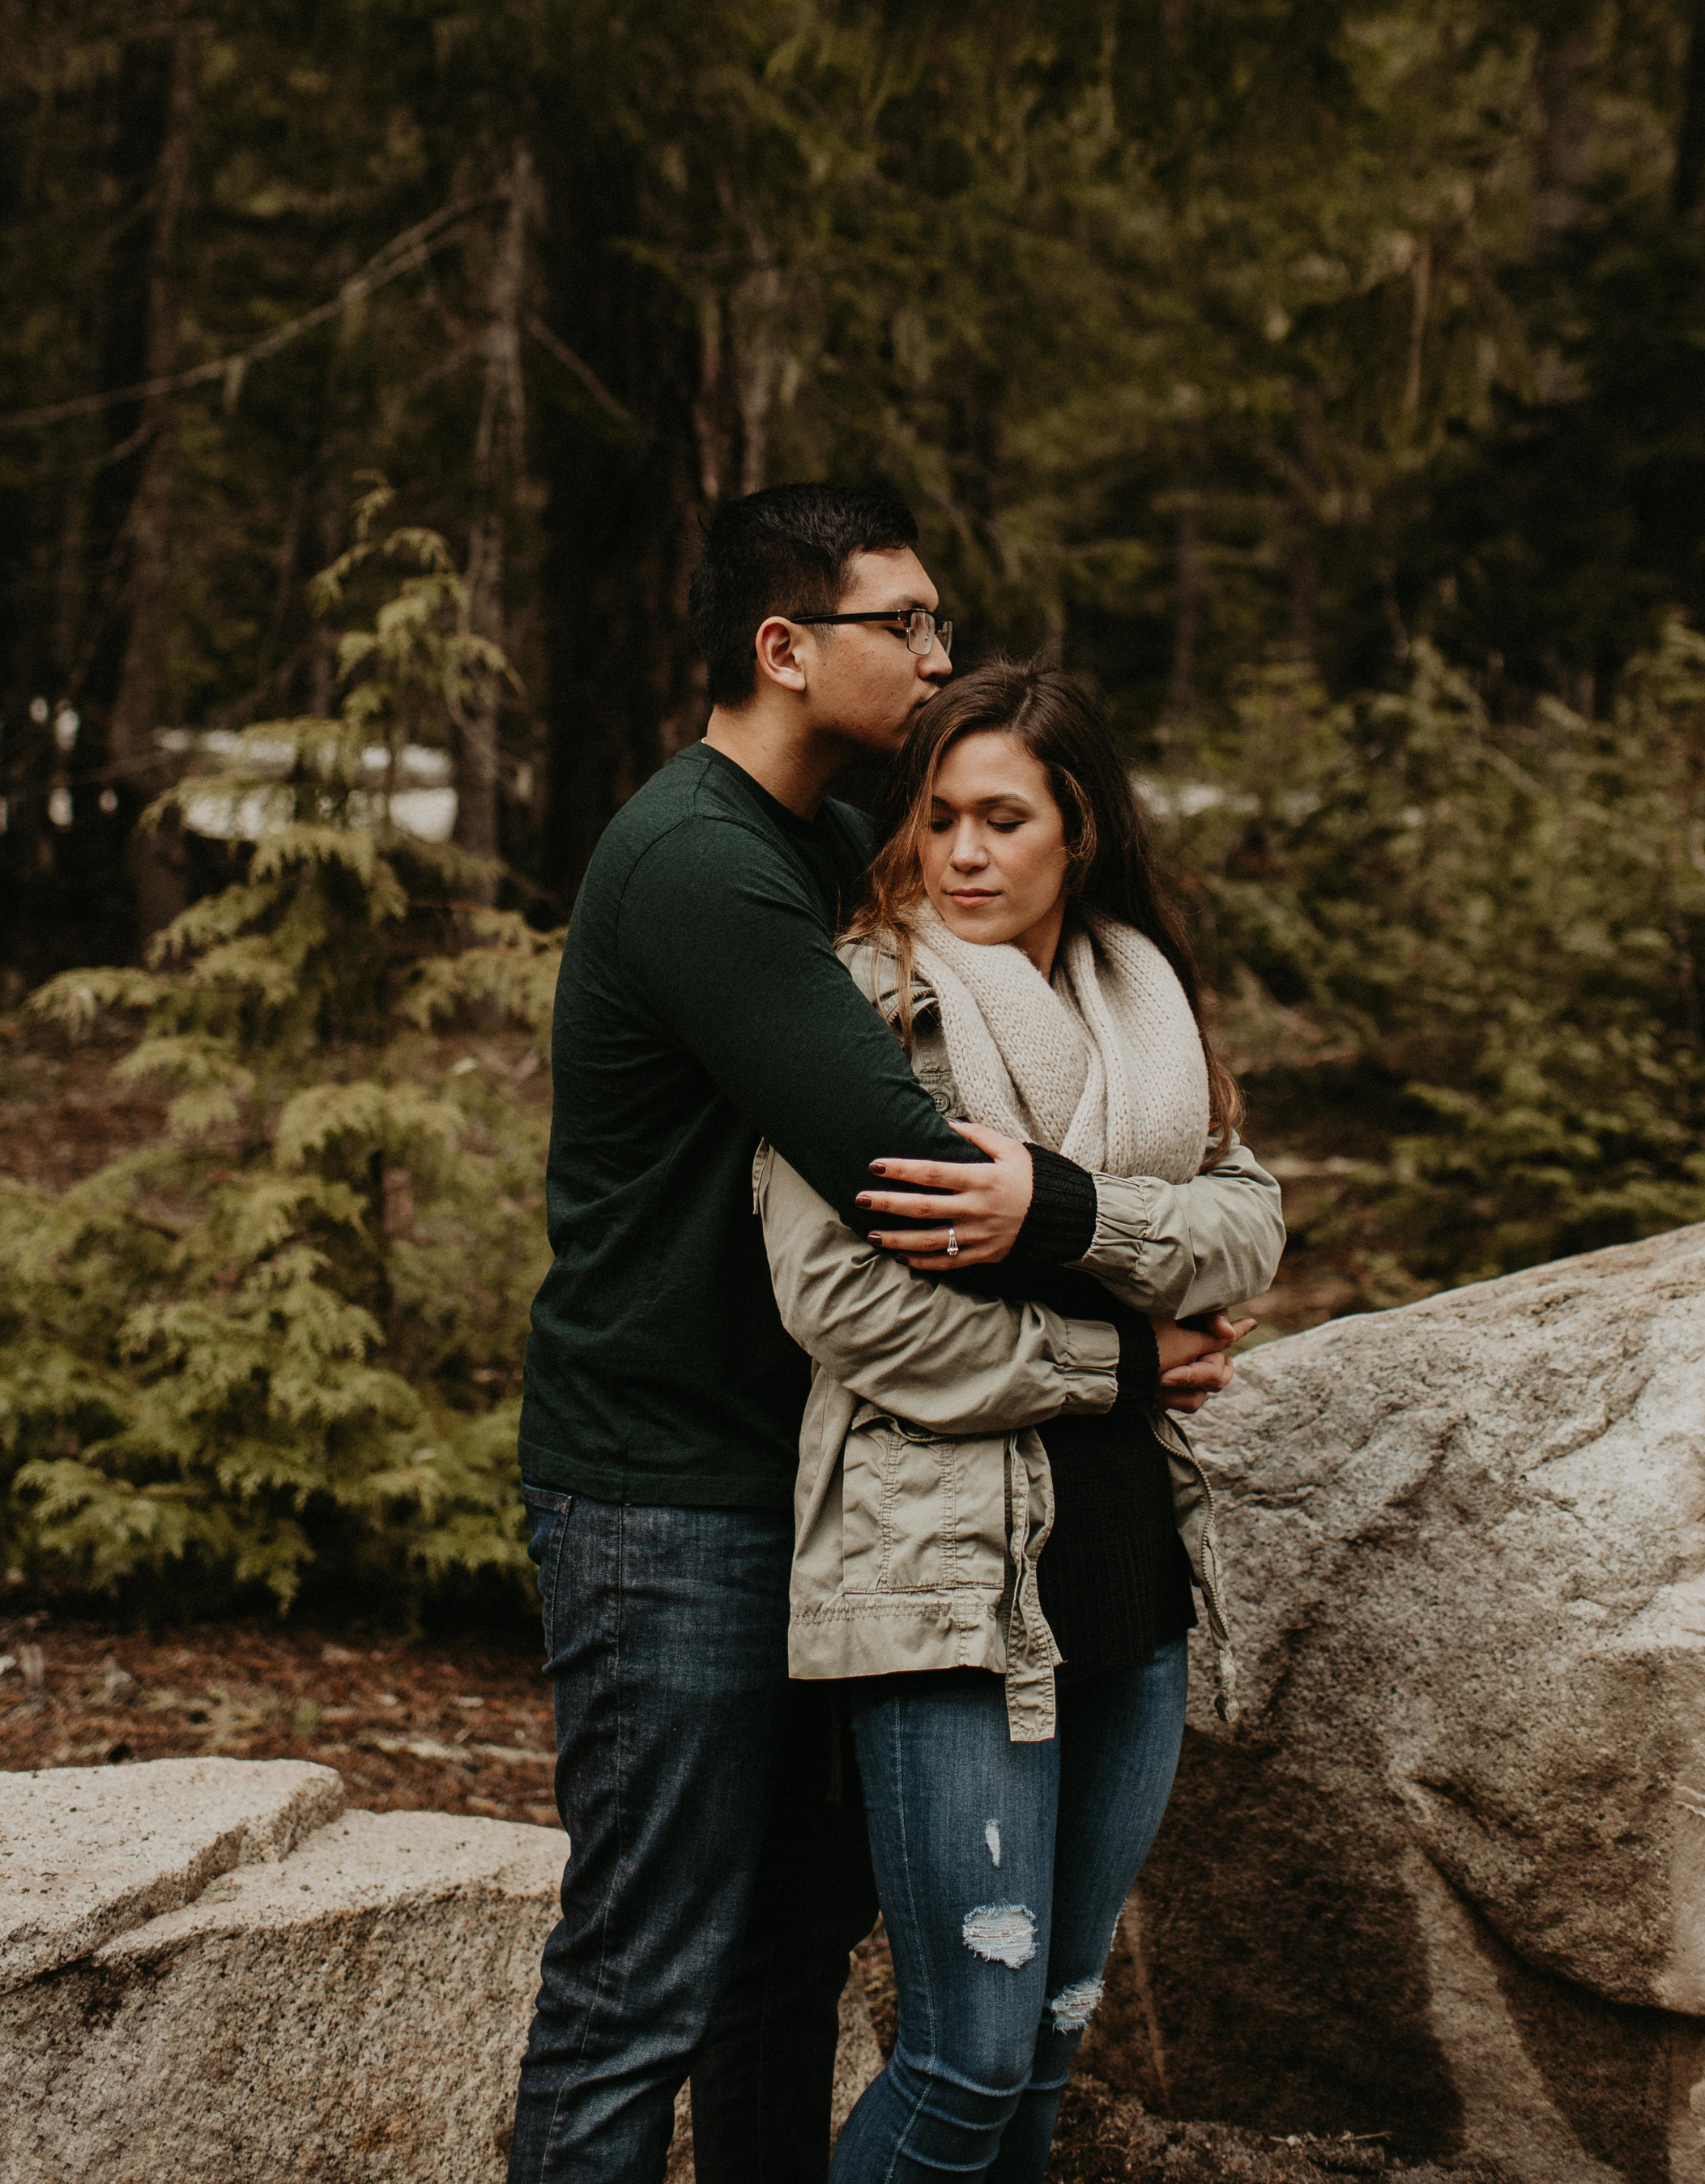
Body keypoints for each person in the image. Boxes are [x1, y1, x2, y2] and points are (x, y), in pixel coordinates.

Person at [507, 485, 1237, 2184]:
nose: (934, 653)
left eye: (935, 624)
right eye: (900, 625)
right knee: (640, 1975)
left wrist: (1134, 1216)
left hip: (817, 1473)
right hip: (665, 1483)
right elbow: (912, 1173)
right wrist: (1127, 1332)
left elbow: (1076, 1163)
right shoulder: (699, 860)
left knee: (775, 1958)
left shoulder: (836, 844)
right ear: (783, 648)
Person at [754, 660, 1285, 2184]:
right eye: (935, 818)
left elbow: (1247, 1227)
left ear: (1082, 834)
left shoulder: (1143, 1011)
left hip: (1128, 1571)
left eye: (1003, 818)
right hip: (943, 1584)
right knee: (968, 2058)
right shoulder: (871, 1004)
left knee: (1052, 2033)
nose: (962, 853)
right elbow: (850, 1309)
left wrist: (1053, 1208)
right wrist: (1123, 1354)